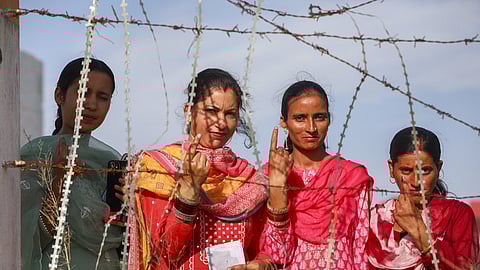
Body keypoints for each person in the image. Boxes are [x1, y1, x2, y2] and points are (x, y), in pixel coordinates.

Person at [129, 68, 268, 269]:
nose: (220, 123)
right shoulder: (158, 167)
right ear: (189, 111)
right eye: (211, 111)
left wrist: (263, 264)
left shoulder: (250, 180)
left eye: (229, 114)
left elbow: (262, 248)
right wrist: (188, 194)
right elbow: (162, 253)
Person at [257, 80, 373, 269]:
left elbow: (360, 248)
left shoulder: (352, 177)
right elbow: (276, 255)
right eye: (300, 118)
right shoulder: (268, 176)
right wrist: (278, 189)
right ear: (284, 122)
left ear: (329, 119)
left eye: (319, 117)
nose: (311, 128)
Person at [21, 57, 123, 269]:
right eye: (83, 93)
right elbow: (25, 238)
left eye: (102, 97)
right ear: (60, 95)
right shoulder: (36, 155)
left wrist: (129, 209)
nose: (92, 104)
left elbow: (123, 241)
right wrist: (59, 180)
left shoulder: (109, 161)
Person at [367, 126, 479, 269]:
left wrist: (419, 230)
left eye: (425, 171)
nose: (416, 182)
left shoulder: (456, 215)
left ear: (438, 169)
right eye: (406, 171)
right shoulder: (374, 220)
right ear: (391, 169)